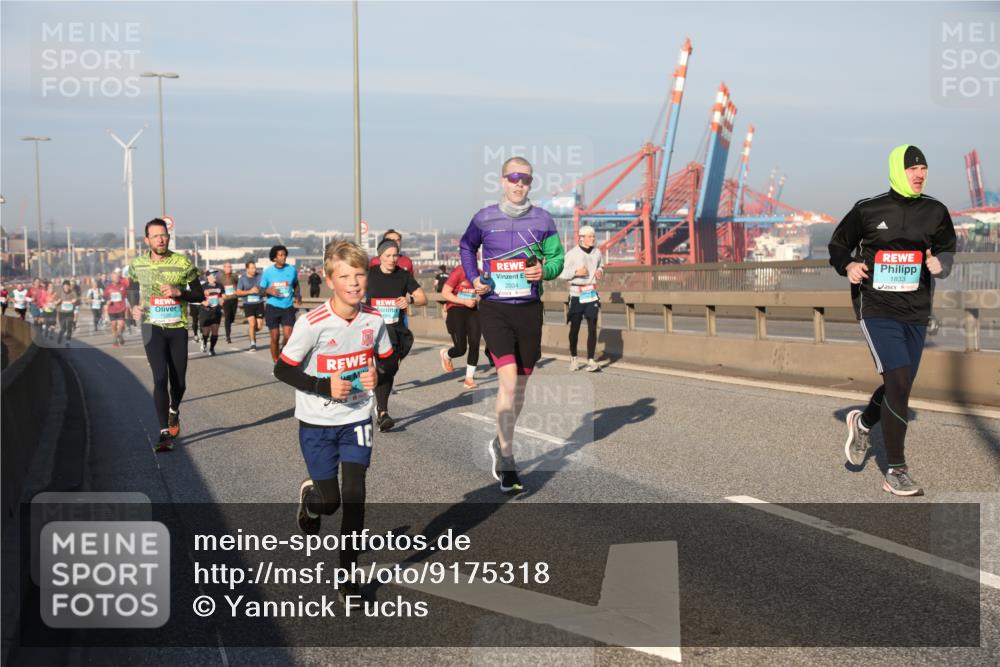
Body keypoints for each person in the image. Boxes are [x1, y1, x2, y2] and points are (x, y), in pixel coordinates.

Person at [830, 144, 956, 497]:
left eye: (924, 170)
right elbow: (838, 245)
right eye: (913, 169)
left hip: (916, 310)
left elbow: (947, 245)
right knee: (898, 381)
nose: (919, 175)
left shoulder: (935, 211)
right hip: (876, 306)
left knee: (899, 385)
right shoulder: (868, 209)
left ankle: (864, 420)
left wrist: (941, 264)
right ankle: (895, 471)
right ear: (898, 170)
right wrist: (849, 265)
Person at [273, 241, 394, 602]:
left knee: (356, 496)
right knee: (332, 503)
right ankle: (312, 499)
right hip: (316, 423)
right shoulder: (311, 324)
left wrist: (377, 372)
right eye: (344, 276)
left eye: (359, 275)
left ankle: (346, 576)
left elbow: (388, 360)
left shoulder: (374, 320)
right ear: (329, 280)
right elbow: (282, 369)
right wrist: (323, 385)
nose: (354, 283)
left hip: (356, 417)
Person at [460, 156, 565, 493]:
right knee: (507, 380)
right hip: (495, 309)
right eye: (514, 178)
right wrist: (474, 278)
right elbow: (466, 246)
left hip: (529, 310)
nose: (520, 184)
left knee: (519, 386)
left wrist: (544, 271)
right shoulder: (484, 217)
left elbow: (557, 258)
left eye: (527, 180)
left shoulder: (543, 219)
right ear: (502, 181)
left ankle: (499, 440)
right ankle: (507, 457)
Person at [127, 219, 204, 452]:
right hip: (152, 327)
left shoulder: (182, 263)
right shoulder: (137, 264)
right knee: (160, 378)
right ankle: (163, 432)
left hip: (177, 327)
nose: (161, 239)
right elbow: (132, 289)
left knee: (179, 382)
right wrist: (134, 307)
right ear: (147, 240)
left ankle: (174, 410)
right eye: (156, 236)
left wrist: (179, 291)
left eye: (164, 235)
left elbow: (199, 294)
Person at [366, 239, 427, 431]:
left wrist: (408, 299)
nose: (392, 259)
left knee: (389, 368)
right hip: (374, 331)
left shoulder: (403, 276)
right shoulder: (370, 275)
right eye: (388, 256)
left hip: (396, 331)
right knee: (384, 368)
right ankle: (383, 412)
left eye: (395, 255)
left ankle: (379, 399)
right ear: (379, 257)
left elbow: (422, 299)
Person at [560, 225, 605, 372]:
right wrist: (576, 272)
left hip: (591, 293)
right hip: (576, 294)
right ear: (582, 238)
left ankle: (591, 360)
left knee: (592, 326)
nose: (593, 238)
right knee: (575, 328)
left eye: (594, 236)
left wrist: (599, 271)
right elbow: (561, 273)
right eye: (590, 236)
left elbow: (601, 265)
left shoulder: (597, 252)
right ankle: (574, 358)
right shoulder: (572, 254)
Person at [438, 263, 482, 389]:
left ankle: (469, 379)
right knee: (461, 349)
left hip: (473, 311)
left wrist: (482, 293)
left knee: (475, 343)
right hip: (456, 310)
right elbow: (445, 293)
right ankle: (446, 355)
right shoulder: (458, 272)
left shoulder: (479, 272)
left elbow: (484, 290)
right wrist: (464, 301)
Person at [260, 245, 302, 362]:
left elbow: (295, 284)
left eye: (284, 255)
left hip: (287, 307)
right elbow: (261, 290)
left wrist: (297, 295)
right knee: (275, 336)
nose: (283, 257)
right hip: (272, 307)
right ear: (274, 258)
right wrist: (269, 290)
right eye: (280, 255)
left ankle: (282, 353)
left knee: (289, 336)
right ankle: (275, 361)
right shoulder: (268, 272)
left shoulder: (292, 270)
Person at [237, 260, 264, 351]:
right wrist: (250, 291)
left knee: (259, 326)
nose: (254, 270)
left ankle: (250, 331)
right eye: (252, 268)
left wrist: (261, 291)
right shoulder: (242, 279)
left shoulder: (260, 276)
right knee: (252, 324)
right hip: (248, 304)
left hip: (259, 303)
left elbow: (265, 287)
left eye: (255, 267)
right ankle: (253, 344)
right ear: (247, 269)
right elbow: (238, 292)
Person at [199, 271, 223, 355]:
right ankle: (204, 341)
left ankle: (212, 349)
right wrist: (203, 302)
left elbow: (222, 296)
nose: (215, 276)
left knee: (215, 331)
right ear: (208, 277)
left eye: (215, 275)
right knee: (206, 332)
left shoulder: (219, 285)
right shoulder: (203, 287)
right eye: (213, 275)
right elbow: (197, 298)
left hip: (216, 311)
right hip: (205, 311)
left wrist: (222, 300)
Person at [104, 269, 130, 346]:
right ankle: (116, 339)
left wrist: (129, 307)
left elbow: (126, 296)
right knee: (113, 325)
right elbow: (105, 296)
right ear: (112, 278)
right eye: (115, 277)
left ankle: (119, 335)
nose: (117, 279)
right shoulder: (108, 287)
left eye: (118, 277)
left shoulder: (123, 286)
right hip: (112, 309)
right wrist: (108, 301)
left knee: (121, 325)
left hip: (121, 308)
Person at [218, 261, 240, 344]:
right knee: (227, 317)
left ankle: (229, 323)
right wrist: (220, 296)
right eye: (227, 267)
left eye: (230, 267)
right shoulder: (220, 278)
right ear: (224, 268)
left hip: (234, 298)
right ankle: (228, 336)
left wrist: (237, 290)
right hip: (226, 300)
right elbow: (218, 288)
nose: (229, 268)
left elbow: (239, 284)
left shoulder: (234, 276)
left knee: (232, 317)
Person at [56, 280, 79, 347]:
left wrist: (75, 301)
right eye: (64, 286)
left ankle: (68, 342)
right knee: (63, 328)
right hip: (61, 312)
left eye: (67, 286)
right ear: (63, 286)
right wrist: (58, 301)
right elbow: (54, 301)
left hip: (70, 312)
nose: (66, 287)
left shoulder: (73, 293)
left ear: (69, 286)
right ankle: (60, 335)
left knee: (69, 327)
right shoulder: (59, 293)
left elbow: (76, 300)